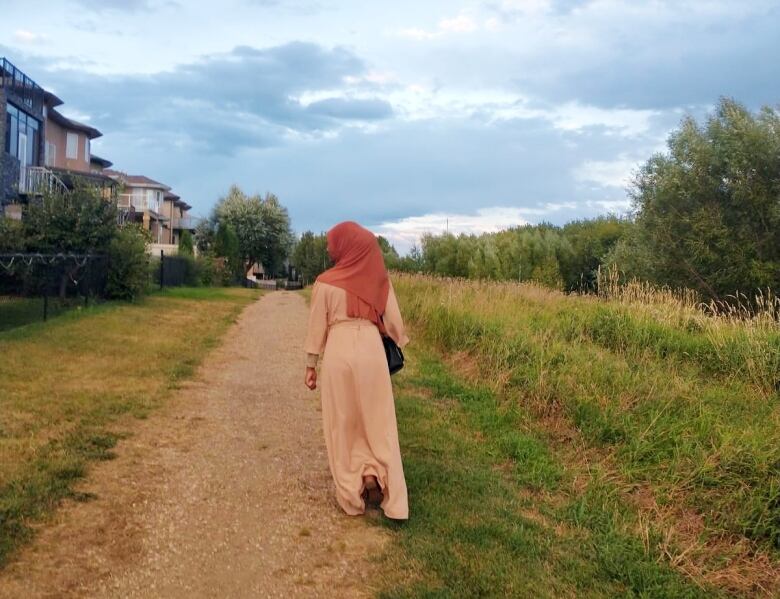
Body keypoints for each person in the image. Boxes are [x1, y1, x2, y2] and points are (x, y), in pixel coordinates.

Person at [303, 221, 409, 520]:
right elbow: (394, 324)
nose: (328, 247)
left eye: (332, 242)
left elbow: (316, 328)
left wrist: (311, 366)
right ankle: (389, 494)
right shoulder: (377, 279)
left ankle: (351, 496)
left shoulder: (325, 282)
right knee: (378, 421)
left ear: (344, 245)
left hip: (339, 350)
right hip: (372, 351)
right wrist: (396, 339)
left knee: (343, 422)